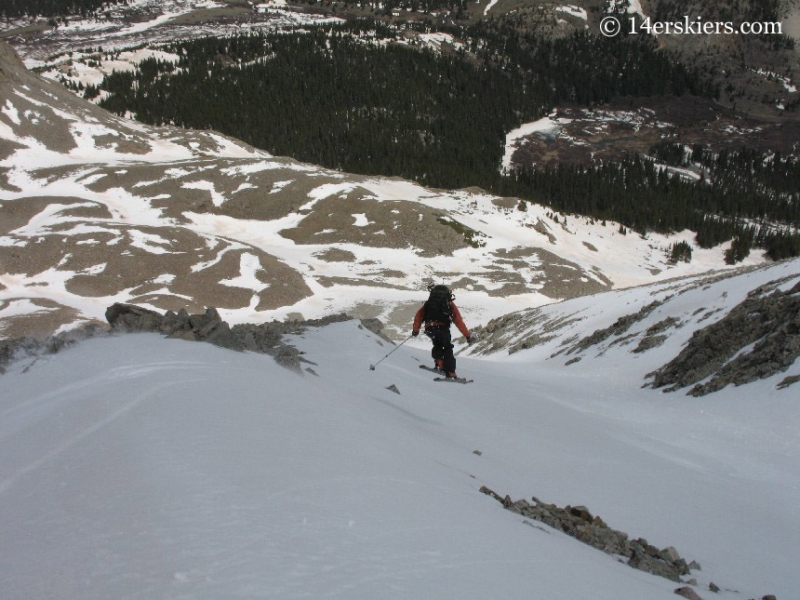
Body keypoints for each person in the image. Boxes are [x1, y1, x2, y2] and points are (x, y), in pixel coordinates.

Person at [412, 284, 474, 379]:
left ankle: (439, 364)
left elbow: (418, 316)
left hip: (430, 329)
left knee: (437, 345)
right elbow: (458, 321)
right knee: (447, 347)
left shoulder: (428, 303)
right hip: (442, 328)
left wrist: (415, 330)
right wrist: (467, 336)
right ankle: (451, 372)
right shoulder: (449, 304)